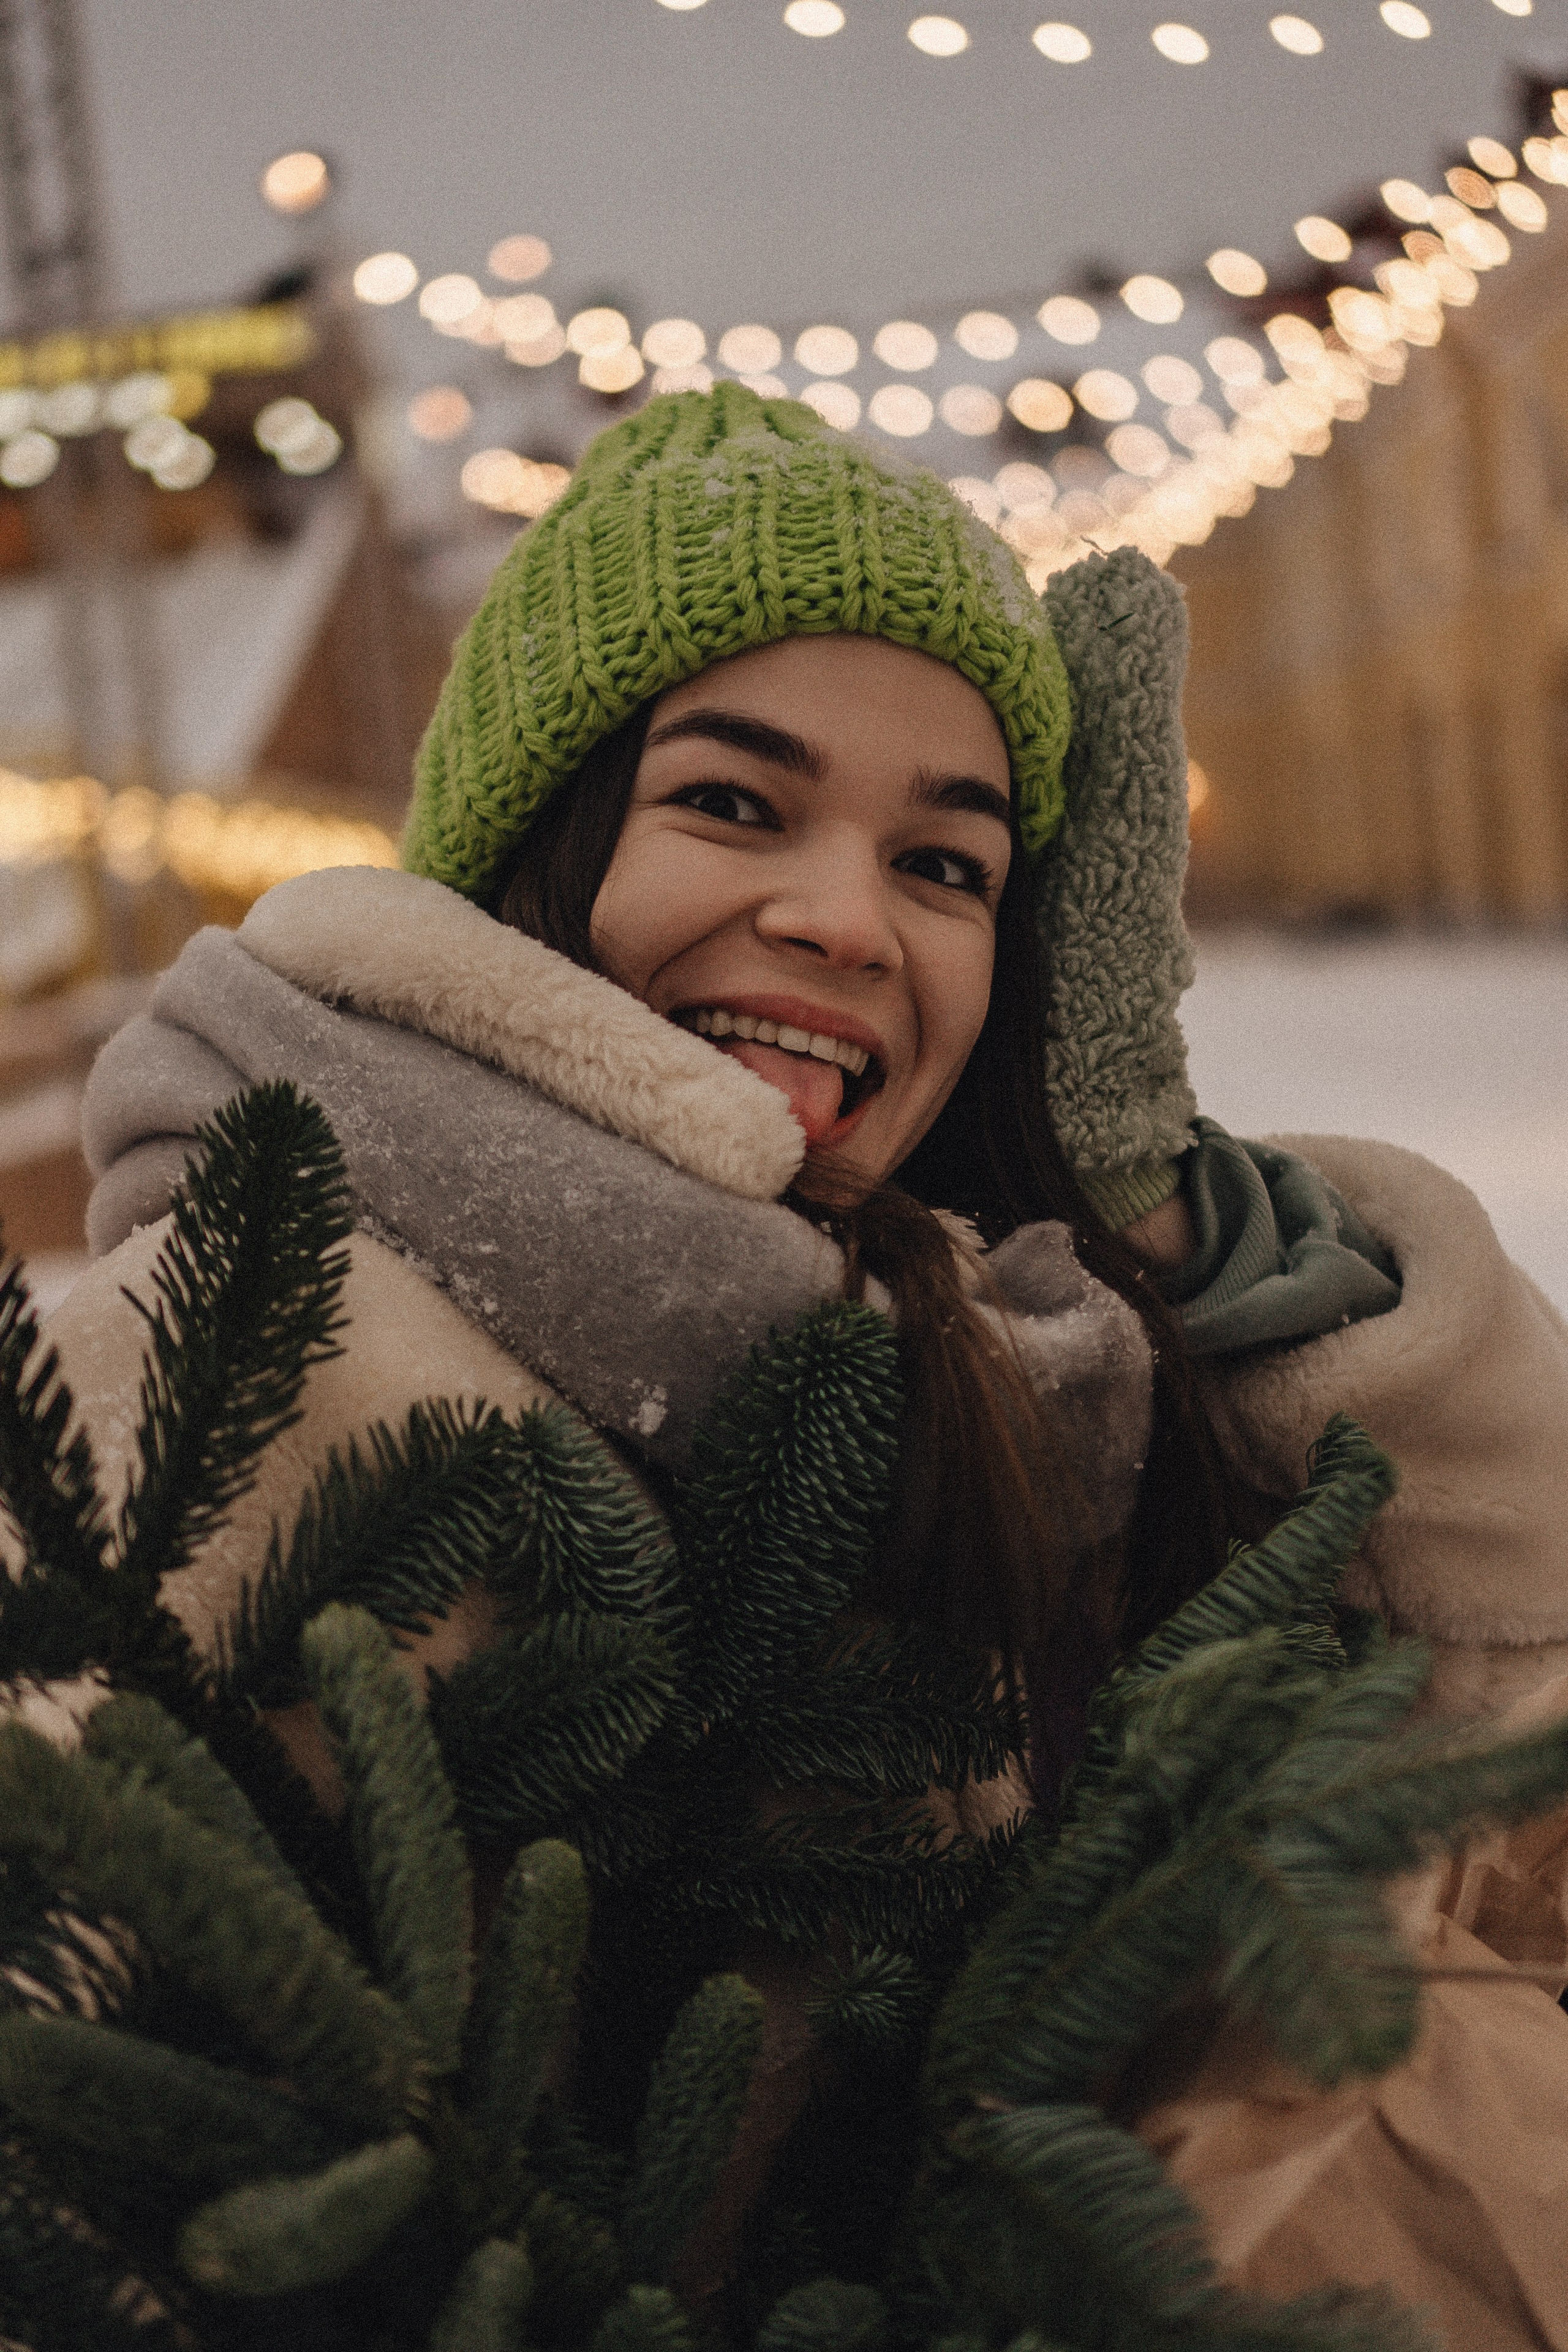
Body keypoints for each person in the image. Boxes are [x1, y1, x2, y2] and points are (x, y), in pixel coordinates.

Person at [43, 385, 1568, 2334]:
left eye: (948, 865)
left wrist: (1155, 1199)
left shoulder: (995, 1354)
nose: (846, 919)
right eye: (735, 804)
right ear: (540, 839)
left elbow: (1491, 1812)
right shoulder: (243, 1352)